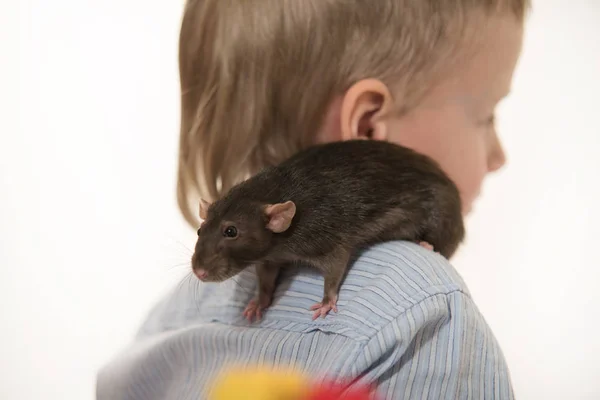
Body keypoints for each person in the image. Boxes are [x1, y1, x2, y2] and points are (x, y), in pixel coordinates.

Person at [97, 0, 529, 398]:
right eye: (486, 116)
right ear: (367, 130)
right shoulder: (426, 306)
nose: (499, 157)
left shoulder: (177, 310)